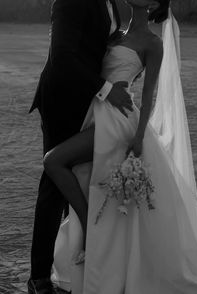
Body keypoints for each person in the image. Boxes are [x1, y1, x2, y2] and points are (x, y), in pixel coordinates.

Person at [43, 0, 197, 293]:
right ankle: (95, 236)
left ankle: (86, 224)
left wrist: (140, 135)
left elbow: (148, 96)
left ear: (156, 3)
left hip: (119, 119)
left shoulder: (153, 43)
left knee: (54, 161)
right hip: (95, 112)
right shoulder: (115, 33)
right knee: (90, 180)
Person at [27, 0, 134, 293]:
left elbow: (95, 43)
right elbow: (63, 57)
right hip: (62, 98)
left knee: (78, 179)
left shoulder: (111, 1)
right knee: (54, 183)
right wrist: (107, 90)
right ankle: (38, 279)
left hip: (88, 103)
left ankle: (69, 268)